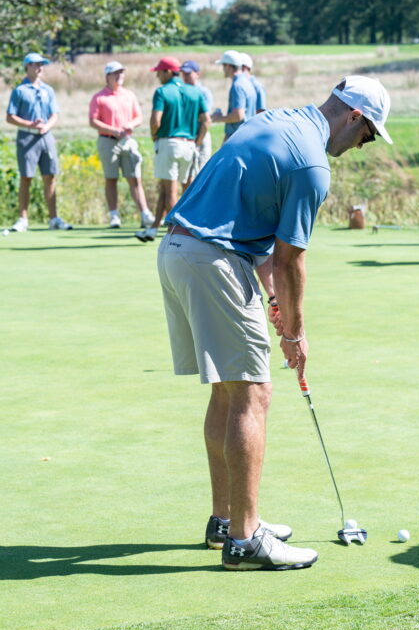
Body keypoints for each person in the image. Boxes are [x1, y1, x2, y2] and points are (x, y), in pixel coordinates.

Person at [157, 75, 392, 571]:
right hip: (214, 259)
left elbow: (262, 241)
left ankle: (226, 521)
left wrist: (273, 300)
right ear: (353, 116)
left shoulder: (277, 120)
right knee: (253, 394)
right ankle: (246, 540)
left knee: (227, 390)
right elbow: (290, 261)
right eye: (368, 135)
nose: (362, 146)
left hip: (179, 249)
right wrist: (295, 334)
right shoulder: (313, 164)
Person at [135, 56, 210, 243]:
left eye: (159, 72)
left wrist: (155, 136)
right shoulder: (195, 92)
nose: (158, 76)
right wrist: (198, 141)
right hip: (190, 144)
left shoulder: (162, 92)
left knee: (170, 192)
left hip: (169, 143)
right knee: (183, 189)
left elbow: (155, 121)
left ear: (168, 72)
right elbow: (206, 121)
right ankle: (156, 230)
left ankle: (179, 234)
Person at [5, 53, 72, 232]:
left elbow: (54, 114)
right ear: (27, 67)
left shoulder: (47, 90)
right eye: (35, 65)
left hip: (46, 136)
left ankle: (54, 218)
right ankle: (23, 219)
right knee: (26, 177)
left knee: (50, 176)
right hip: (27, 136)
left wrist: (46, 126)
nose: (39, 68)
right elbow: (10, 117)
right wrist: (31, 125)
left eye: (41, 65)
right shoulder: (19, 90)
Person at [88, 61, 155, 229]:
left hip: (127, 140)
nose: (119, 76)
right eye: (116, 73)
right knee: (111, 179)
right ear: (108, 76)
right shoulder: (99, 97)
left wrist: (130, 125)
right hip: (108, 140)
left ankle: (145, 213)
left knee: (135, 178)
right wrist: (112, 129)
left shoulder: (129, 95)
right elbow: (93, 121)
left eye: (121, 73)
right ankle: (114, 215)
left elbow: (138, 117)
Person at [211, 50, 257, 141]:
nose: (223, 69)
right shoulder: (247, 82)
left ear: (228, 66)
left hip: (237, 138)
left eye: (223, 65)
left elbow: (238, 115)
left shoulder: (237, 85)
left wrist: (219, 118)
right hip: (247, 136)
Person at [180, 60, 214, 179]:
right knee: (187, 175)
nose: (185, 77)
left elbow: (205, 118)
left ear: (197, 74)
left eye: (188, 74)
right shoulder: (181, 91)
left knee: (200, 172)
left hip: (201, 134)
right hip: (187, 135)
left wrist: (198, 141)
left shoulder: (204, 92)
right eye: (183, 74)